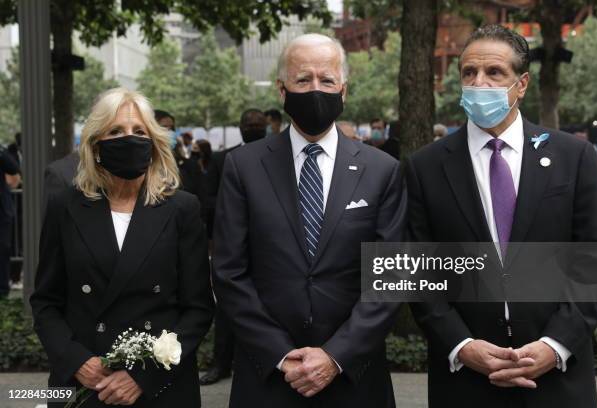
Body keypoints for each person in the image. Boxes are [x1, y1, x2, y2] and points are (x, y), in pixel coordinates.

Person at [406, 25, 597, 408]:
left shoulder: (574, 158)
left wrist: (554, 345)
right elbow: (417, 271)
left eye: (494, 72)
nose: (478, 82)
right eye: (469, 73)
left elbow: (593, 262)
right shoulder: (424, 167)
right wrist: (462, 346)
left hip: (558, 380)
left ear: (522, 84)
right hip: (465, 383)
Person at [213, 33, 406, 407]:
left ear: (344, 90)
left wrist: (335, 356)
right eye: (303, 80)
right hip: (268, 376)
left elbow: (391, 278)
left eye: (326, 79)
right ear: (282, 91)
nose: (315, 89)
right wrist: (282, 356)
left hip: (355, 377)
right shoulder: (243, 167)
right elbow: (229, 272)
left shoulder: (383, 171)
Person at [30, 88, 215, 407]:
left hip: (160, 387)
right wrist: (76, 361)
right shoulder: (66, 207)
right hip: (84, 385)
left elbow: (198, 309)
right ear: (96, 145)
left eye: (139, 131)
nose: (129, 139)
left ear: (154, 144)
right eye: (115, 131)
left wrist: (143, 375)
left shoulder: (182, 208)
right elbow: (46, 301)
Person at [200, 108, 268, 386]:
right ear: (240, 127)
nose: (253, 127)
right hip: (231, 245)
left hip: (268, 247)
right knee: (227, 306)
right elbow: (207, 198)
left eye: (258, 124)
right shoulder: (221, 159)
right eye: (249, 124)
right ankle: (221, 364)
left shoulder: (280, 156)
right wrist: (240, 207)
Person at [0, 145, 19, 299]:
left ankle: (2, 289)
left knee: (4, 248)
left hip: (2, 210)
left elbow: (13, 168)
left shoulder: (2, 152)